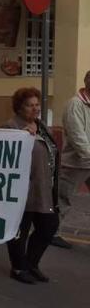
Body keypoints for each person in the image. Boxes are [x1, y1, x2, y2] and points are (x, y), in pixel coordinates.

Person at [2, 87, 59, 284]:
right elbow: (4, 157)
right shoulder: (11, 127)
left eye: (37, 105)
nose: (35, 109)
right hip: (22, 190)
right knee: (20, 230)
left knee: (49, 226)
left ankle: (31, 263)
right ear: (19, 107)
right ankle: (18, 268)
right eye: (29, 105)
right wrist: (21, 137)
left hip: (44, 188)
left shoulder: (41, 125)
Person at [54, 69, 90, 249]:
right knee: (63, 198)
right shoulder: (74, 105)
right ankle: (52, 232)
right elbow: (77, 137)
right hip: (75, 163)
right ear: (86, 81)